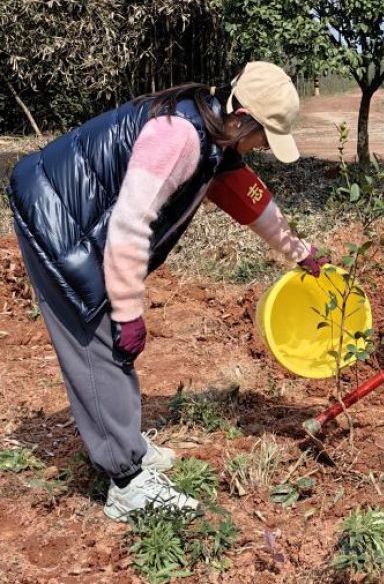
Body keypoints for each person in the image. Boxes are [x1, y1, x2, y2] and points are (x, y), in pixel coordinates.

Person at [7, 61, 327, 520]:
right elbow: (130, 225)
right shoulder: (178, 137)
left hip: (84, 218)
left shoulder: (215, 135)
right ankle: (127, 483)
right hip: (56, 220)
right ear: (241, 119)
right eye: (263, 136)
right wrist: (127, 310)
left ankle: (126, 442)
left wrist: (301, 252)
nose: (261, 148)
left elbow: (249, 201)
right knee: (99, 338)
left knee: (109, 335)